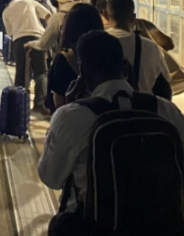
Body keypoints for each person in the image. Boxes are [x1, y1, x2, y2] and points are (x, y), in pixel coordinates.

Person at [38, 31, 184, 233]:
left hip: (95, 226)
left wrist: (67, 110)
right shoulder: (165, 109)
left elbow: (51, 177)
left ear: (82, 71)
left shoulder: (72, 116)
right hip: (160, 226)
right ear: (125, 67)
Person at [101, 0, 171, 99]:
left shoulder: (96, 44)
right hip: (143, 111)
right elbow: (166, 79)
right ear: (133, 18)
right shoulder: (151, 47)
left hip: (105, 111)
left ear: (105, 14)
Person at [4, 0, 51, 115]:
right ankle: (39, 104)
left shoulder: (6, 12)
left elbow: (10, 33)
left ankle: (19, 102)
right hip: (38, 37)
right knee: (41, 72)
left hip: (19, 40)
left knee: (21, 70)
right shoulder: (28, 2)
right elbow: (48, 15)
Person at [46, 3, 104, 110]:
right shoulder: (108, 51)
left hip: (73, 118)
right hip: (103, 117)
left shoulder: (65, 57)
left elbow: (58, 100)